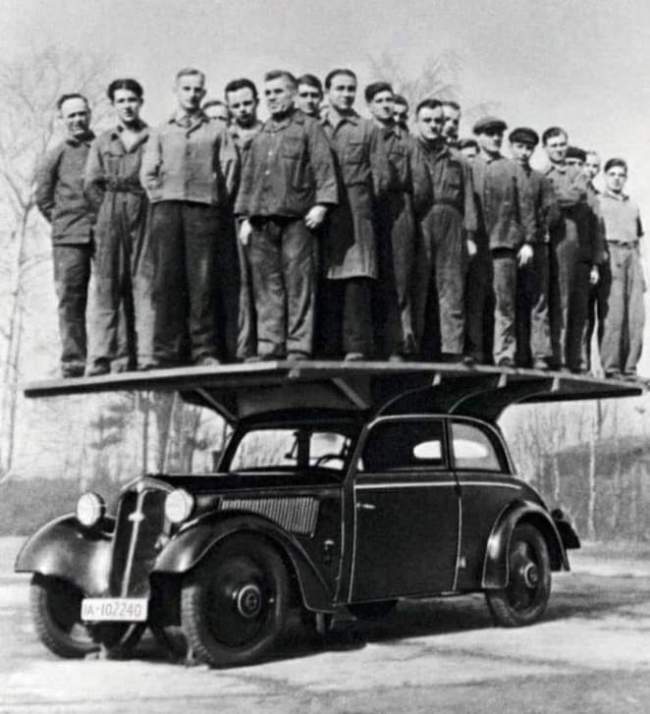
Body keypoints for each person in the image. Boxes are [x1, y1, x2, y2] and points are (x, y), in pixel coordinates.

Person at [234, 70, 337, 360]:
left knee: (298, 286)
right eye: (267, 93)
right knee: (266, 287)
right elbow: (249, 177)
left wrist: (322, 205)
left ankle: (298, 347)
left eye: (278, 92)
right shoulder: (263, 132)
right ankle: (271, 345)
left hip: (297, 220)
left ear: (292, 94)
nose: (272, 98)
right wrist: (244, 217)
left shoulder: (309, 128)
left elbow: (324, 168)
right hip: (261, 221)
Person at [140, 67, 239, 367]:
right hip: (167, 211)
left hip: (203, 210)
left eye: (197, 89)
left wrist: (214, 201)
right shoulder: (161, 131)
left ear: (204, 92)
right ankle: (166, 352)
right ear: (176, 90)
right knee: (167, 280)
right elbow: (148, 172)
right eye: (186, 88)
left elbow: (229, 169)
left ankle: (204, 351)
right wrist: (162, 196)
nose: (192, 94)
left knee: (202, 281)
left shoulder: (216, 130)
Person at [84, 78, 154, 376]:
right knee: (108, 285)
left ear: (141, 102)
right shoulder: (103, 141)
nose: (127, 106)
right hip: (110, 210)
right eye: (121, 101)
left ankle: (148, 354)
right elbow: (91, 183)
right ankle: (103, 356)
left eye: (132, 100)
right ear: (113, 105)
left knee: (145, 283)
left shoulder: (153, 137)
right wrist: (104, 215)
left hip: (144, 207)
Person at [320, 68, 382, 360]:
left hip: (357, 210)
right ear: (327, 92)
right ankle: (328, 347)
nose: (346, 94)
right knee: (325, 275)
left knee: (357, 275)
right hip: (323, 211)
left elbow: (381, 177)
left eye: (351, 89)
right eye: (340, 88)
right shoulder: (315, 127)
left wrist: (364, 201)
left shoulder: (367, 129)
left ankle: (355, 346)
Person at [35, 93, 96, 378]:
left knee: (112, 294)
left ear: (89, 114)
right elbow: (43, 198)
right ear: (61, 119)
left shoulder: (102, 147)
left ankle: (115, 357)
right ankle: (74, 360)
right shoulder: (55, 155)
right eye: (71, 115)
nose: (78, 120)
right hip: (69, 238)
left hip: (102, 232)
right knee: (70, 298)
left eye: (82, 113)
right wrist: (63, 222)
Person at [411, 98, 477, 362]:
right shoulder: (409, 150)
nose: (433, 126)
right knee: (417, 284)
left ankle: (452, 349)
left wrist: (470, 235)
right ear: (417, 122)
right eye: (427, 120)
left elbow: (469, 199)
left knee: (452, 286)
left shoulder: (457, 159)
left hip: (452, 221)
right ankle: (413, 348)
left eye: (438, 121)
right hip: (420, 219)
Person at [471, 116, 535, 367]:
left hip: (505, 244)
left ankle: (504, 354)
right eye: (490, 134)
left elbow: (526, 206)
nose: (496, 138)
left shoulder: (512, 168)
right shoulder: (469, 166)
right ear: (478, 137)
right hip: (476, 246)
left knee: (504, 303)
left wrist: (528, 241)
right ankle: (475, 351)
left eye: (499, 134)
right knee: (475, 301)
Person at [365, 81, 416, 359]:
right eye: (380, 101)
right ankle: (371, 344)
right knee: (369, 276)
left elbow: (420, 185)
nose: (385, 105)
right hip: (368, 209)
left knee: (399, 278)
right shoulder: (363, 133)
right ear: (370, 106)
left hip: (398, 209)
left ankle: (398, 343)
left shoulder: (406, 140)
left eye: (389, 100)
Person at [543, 126, 599, 372]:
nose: (559, 149)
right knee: (551, 299)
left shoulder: (577, 173)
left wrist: (550, 195)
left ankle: (569, 359)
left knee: (570, 301)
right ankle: (553, 355)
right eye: (554, 145)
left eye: (562, 144)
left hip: (569, 239)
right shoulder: (542, 173)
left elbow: (576, 196)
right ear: (545, 148)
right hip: (548, 240)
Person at [508, 127, 556, 369]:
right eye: (519, 147)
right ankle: (512, 354)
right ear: (511, 147)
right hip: (507, 246)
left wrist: (534, 237)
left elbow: (551, 212)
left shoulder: (540, 180)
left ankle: (539, 355)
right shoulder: (502, 173)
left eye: (529, 148)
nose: (524, 152)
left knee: (537, 300)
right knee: (508, 300)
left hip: (535, 248)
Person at [225, 78, 264, 361]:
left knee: (263, 281)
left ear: (257, 102)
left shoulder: (267, 134)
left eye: (247, 103)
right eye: (236, 105)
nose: (242, 109)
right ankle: (241, 346)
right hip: (229, 217)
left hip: (262, 215)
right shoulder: (224, 136)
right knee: (237, 282)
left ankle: (265, 344)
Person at [598, 158, 645, 379]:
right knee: (614, 314)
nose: (617, 179)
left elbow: (639, 237)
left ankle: (630, 368)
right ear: (605, 176)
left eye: (621, 175)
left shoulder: (632, 205)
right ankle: (612, 367)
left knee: (636, 316)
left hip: (632, 254)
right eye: (613, 174)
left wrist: (641, 269)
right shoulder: (599, 202)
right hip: (611, 252)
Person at [582, 150, 608, 372]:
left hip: (589, 262)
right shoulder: (575, 192)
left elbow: (597, 234)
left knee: (588, 315)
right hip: (571, 259)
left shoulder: (597, 197)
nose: (590, 170)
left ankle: (585, 363)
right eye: (588, 165)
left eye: (594, 167)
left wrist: (595, 265)